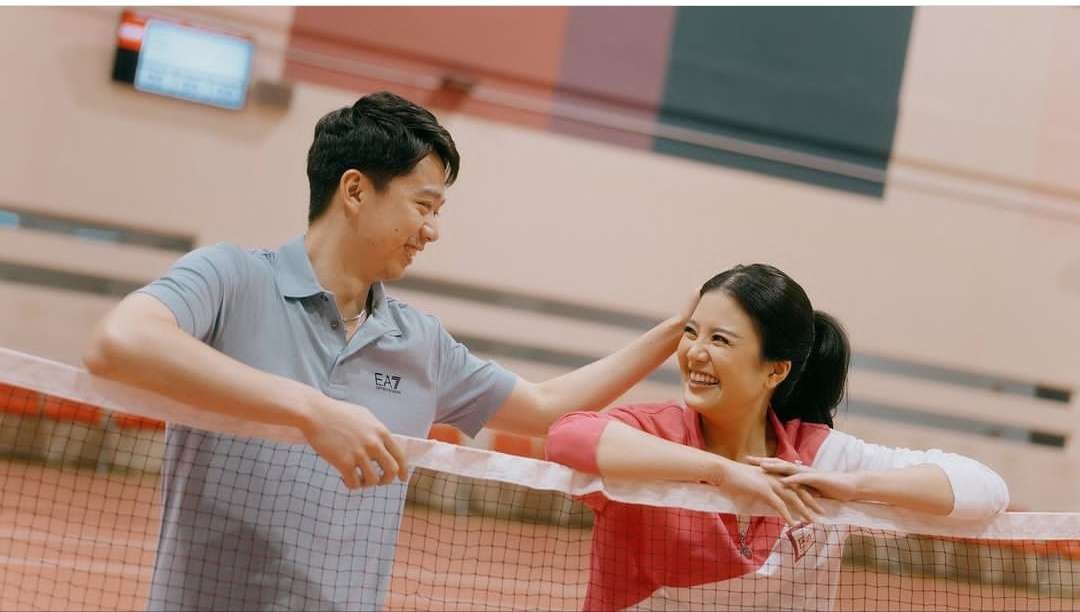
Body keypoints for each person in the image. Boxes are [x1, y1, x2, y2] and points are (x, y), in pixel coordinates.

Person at [82, 91, 691, 611]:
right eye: (422, 205)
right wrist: (312, 410)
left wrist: (676, 331)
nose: (433, 230)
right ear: (354, 191)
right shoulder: (232, 277)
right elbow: (121, 342)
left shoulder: (420, 342)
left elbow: (546, 407)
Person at [545, 263, 1010, 611]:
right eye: (691, 333)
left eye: (721, 340)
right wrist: (720, 471)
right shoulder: (654, 435)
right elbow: (566, 436)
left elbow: (986, 489)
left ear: (775, 369)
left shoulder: (817, 455)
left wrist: (853, 486)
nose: (696, 353)